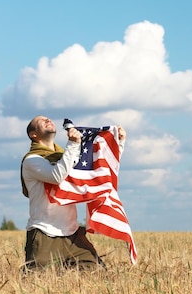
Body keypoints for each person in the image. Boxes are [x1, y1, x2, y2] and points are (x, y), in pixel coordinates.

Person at [20, 115, 126, 270]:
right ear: (33, 134)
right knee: (35, 279)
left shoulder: (67, 157)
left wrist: (118, 142)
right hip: (44, 232)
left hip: (72, 233)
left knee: (96, 272)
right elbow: (56, 176)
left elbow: (99, 170)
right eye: (40, 121)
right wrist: (73, 144)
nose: (48, 120)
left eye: (49, 119)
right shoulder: (32, 160)